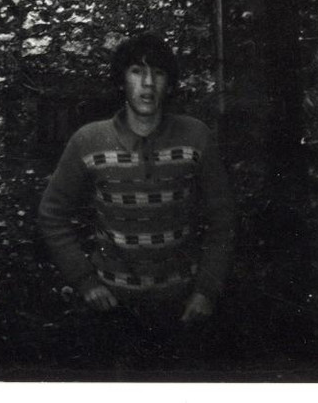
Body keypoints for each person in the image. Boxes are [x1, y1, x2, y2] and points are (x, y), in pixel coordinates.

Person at [38, 33, 234, 373]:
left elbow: (223, 220)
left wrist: (207, 290)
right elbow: (52, 215)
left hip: (182, 309)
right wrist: (86, 282)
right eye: (136, 71)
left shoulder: (196, 137)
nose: (147, 84)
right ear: (121, 80)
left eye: (157, 73)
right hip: (114, 311)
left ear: (170, 83)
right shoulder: (89, 140)